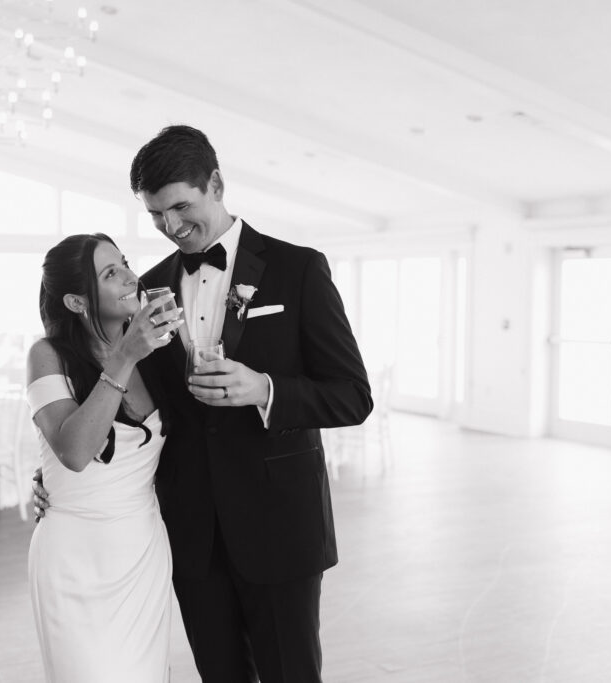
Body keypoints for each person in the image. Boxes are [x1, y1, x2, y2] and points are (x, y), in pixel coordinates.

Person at [35, 125, 372, 682]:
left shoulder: (300, 269)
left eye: (180, 207)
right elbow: (111, 394)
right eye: (155, 216)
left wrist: (265, 390)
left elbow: (353, 396)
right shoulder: (151, 288)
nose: (171, 227)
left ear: (216, 183)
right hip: (189, 537)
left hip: (279, 529)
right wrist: (57, 476)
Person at [26, 232, 184, 683]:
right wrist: (124, 357)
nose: (131, 277)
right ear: (77, 302)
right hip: (75, 560)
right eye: (110, 273)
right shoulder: (47, 356)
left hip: (141, 554)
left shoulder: (157, 356)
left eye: (125, 264)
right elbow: (74, 453)